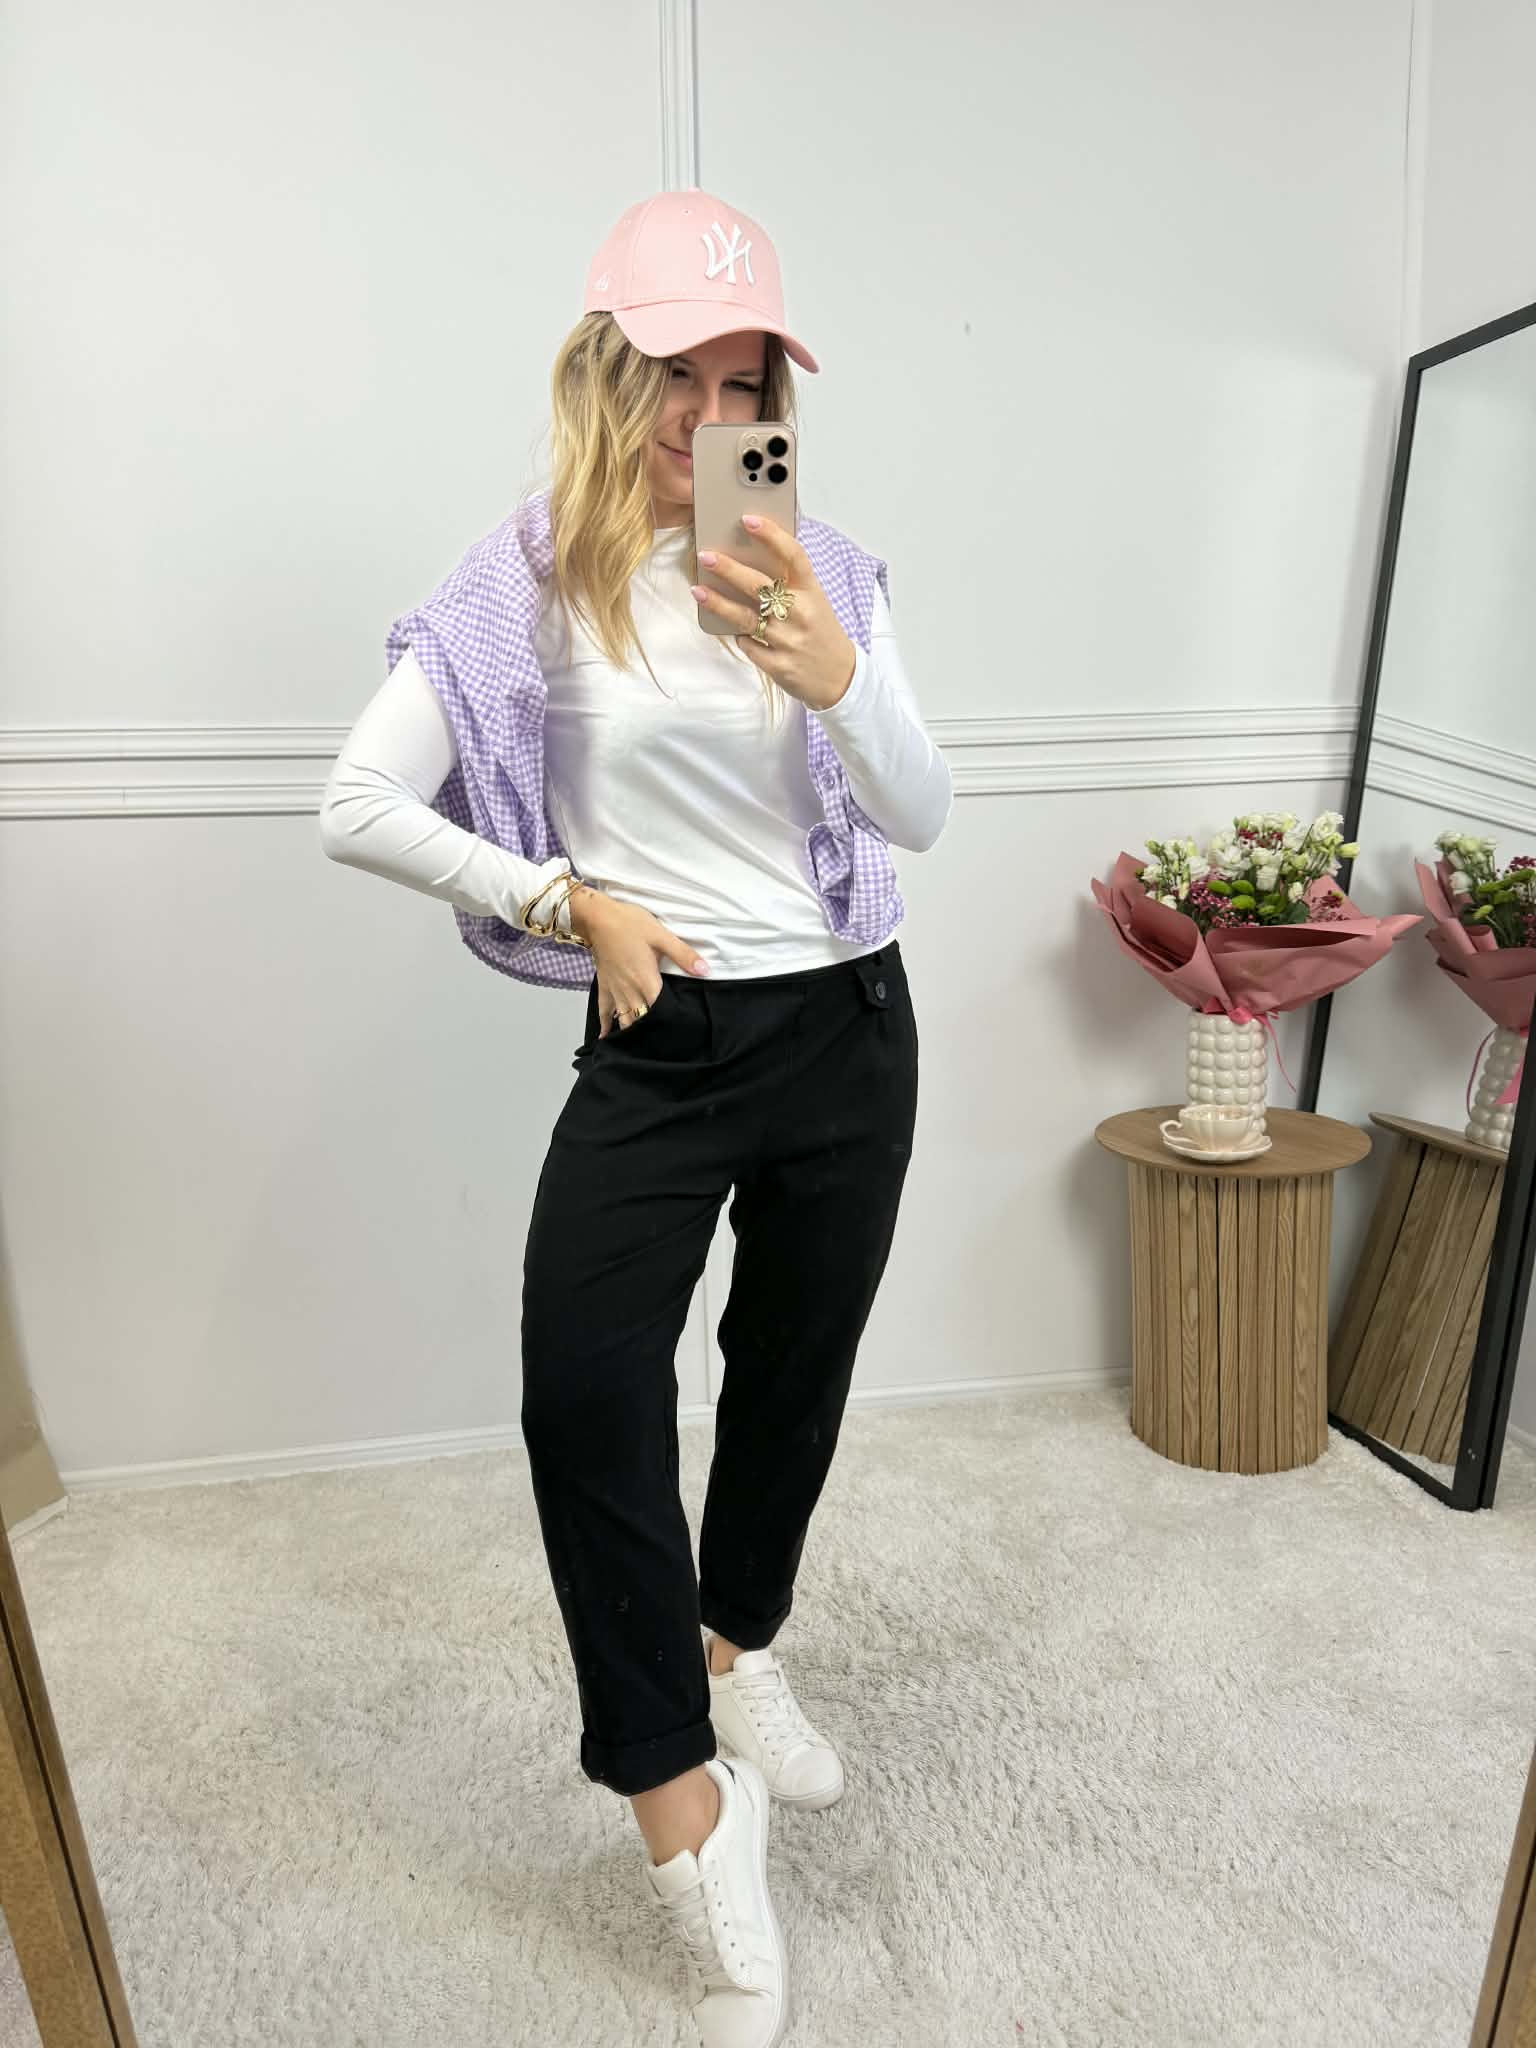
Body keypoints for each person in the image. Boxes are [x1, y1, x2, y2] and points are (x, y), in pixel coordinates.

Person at [319, 186, 952, 2048]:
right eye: (678, 372)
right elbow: (356, 803)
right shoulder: (523, 583)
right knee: (587, 1389)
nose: (709, 413)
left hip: (847, 1025)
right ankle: (682, 1803)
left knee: (791, 1372)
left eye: (744, 382)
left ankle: (737, 1647)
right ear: (608, 372)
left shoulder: (827, 570)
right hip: (663, 1037)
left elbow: (919, 814)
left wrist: (838, 680)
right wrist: (560, 899)